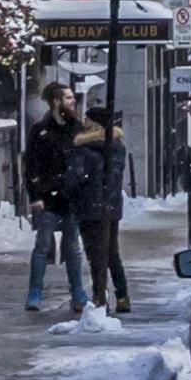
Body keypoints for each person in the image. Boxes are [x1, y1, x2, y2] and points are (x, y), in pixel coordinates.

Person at [66, 102, 135, 319]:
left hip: (88, 206)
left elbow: (74, 178)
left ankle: (99, 295)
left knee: (95, 253)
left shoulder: (84, 150)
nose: (83, 124)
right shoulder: (117, 147)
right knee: (111, 252)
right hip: (110, 206)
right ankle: (122, 296)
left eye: (87, 121)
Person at [19, 83, 80, 312]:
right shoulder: (40, 131)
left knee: (72, 246)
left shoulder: (77, 128)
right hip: (48, 197)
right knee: (43, 244)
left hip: (70, 197)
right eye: (68, 97)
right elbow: (31, 165)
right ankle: (35, 291)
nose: (73, 101)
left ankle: (77, 291)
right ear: (56, 102)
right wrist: (35, 195)